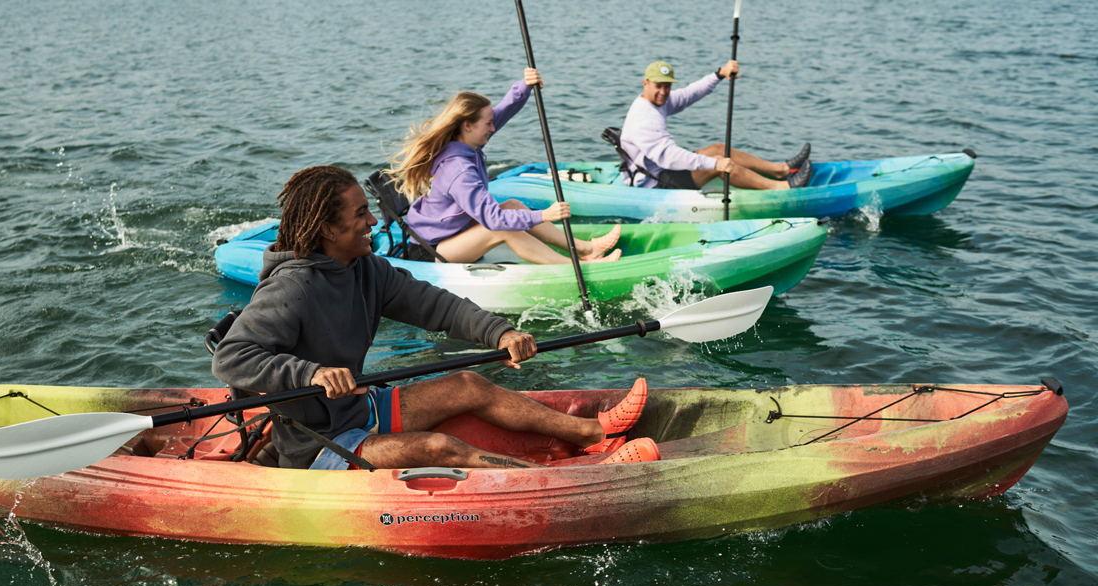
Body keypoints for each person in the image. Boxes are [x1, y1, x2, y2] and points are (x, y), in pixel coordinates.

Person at [211, 165, 658, 471]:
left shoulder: (366, 269)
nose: (372, 220)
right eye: (360, 214)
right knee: (439, 448)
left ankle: (592, 431)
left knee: (468, 384)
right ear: (328, 229)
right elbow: (232, 358)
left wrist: (498, 331)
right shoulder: (293, 287)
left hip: (358, 408)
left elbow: (436, 305)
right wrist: (312, 372)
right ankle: (579, 476)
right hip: (317, 443)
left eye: (368, 209)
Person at [388, 69, 622, 265]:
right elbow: (493, 220)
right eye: (488, 124)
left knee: (511, 206)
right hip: (433, 251)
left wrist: (524, 86)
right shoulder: (458, 169)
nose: (493, 128)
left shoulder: (466, 140)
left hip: (452, 233)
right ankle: (578, 267)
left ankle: (584, 248)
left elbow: (502, 111)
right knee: (500, 226)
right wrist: (544, 215)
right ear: (467, 125)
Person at [619, 59, 812, 191]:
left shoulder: (654, 101)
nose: (663, 91)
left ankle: (782, 170)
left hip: (660, 169)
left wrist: (719, 74)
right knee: (721, 165)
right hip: (654, 183)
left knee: (718, 148)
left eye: (667, 86)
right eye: (658, 86)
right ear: (645, 83)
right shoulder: (645, 120)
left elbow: (688, 94)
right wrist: (715, 163)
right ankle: (782, 187)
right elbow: (670, 157)